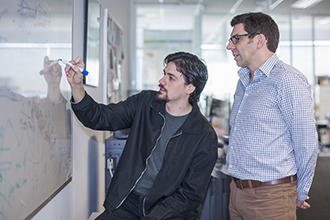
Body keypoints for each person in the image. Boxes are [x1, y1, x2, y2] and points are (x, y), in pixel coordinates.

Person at [65, 51, 218, 219]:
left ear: (190, 88)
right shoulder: (145, 103)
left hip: (166, 212)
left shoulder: (204, 135)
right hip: (126, 203)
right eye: (164, 74)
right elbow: (100, 117)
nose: (161, 81)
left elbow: (189, 196)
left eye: (171, 77)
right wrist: (76, 86)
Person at [226, 12, 318, 220]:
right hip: (236, 192)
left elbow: (306, 143)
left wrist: (301, 191)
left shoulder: (288, 80)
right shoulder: (243, 81)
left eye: (236, 38)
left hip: (270, 197)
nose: (230, 46)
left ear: (259, 40)